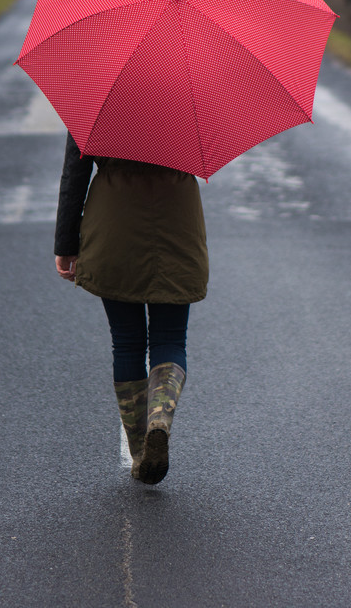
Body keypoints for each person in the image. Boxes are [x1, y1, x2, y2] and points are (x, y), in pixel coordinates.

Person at [53, 132, 209, 484]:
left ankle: (140, 452)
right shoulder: (188, 103)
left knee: (126, 341)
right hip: (176, 217)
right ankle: (160, 419)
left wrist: (66, 243)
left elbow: (74, 175)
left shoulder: (95, 103)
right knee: (170, 338)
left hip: (114, 219)